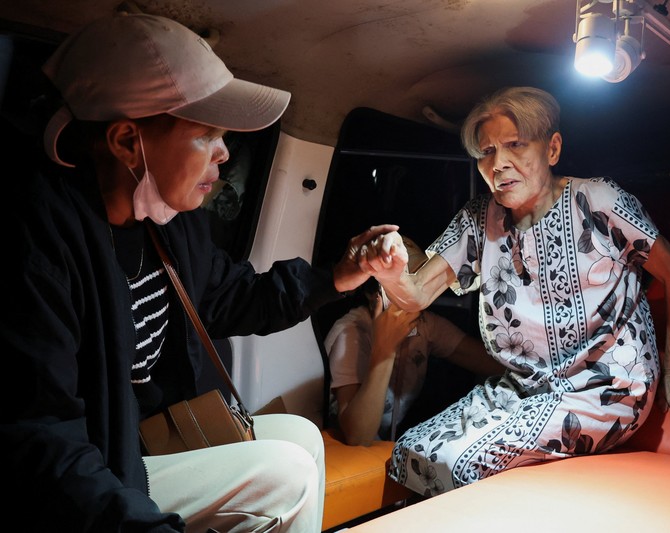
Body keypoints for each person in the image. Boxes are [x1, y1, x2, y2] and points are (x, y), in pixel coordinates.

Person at [0, 12, 394, 532]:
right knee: (288, 472)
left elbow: (234, 296)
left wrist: (336, 277)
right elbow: (41, 434)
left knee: (298, 438)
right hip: (96, 468)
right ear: (125, 142)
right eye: (207, 134)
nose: (225, 154)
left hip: (140, 441)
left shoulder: (169, 225)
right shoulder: (40, 242)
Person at [356, 86, 670, 496]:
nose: (499, 164)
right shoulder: (477, 219)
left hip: (607, 388)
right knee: (411, 450)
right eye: (487, 152)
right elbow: (416, 295)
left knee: (463, 463)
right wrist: (389, 270)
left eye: (514, 145)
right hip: (526, 385)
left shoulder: (597, 200)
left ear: (552, 149)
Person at [325, 237, 505, 445]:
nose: (409, 294)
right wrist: (385, 348)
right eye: (398, 283)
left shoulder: (424, 326)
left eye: (415, 282)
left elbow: (488, 362)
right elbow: (357, 436)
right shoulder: (351, 333)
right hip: (342, 453)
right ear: (372, 292)